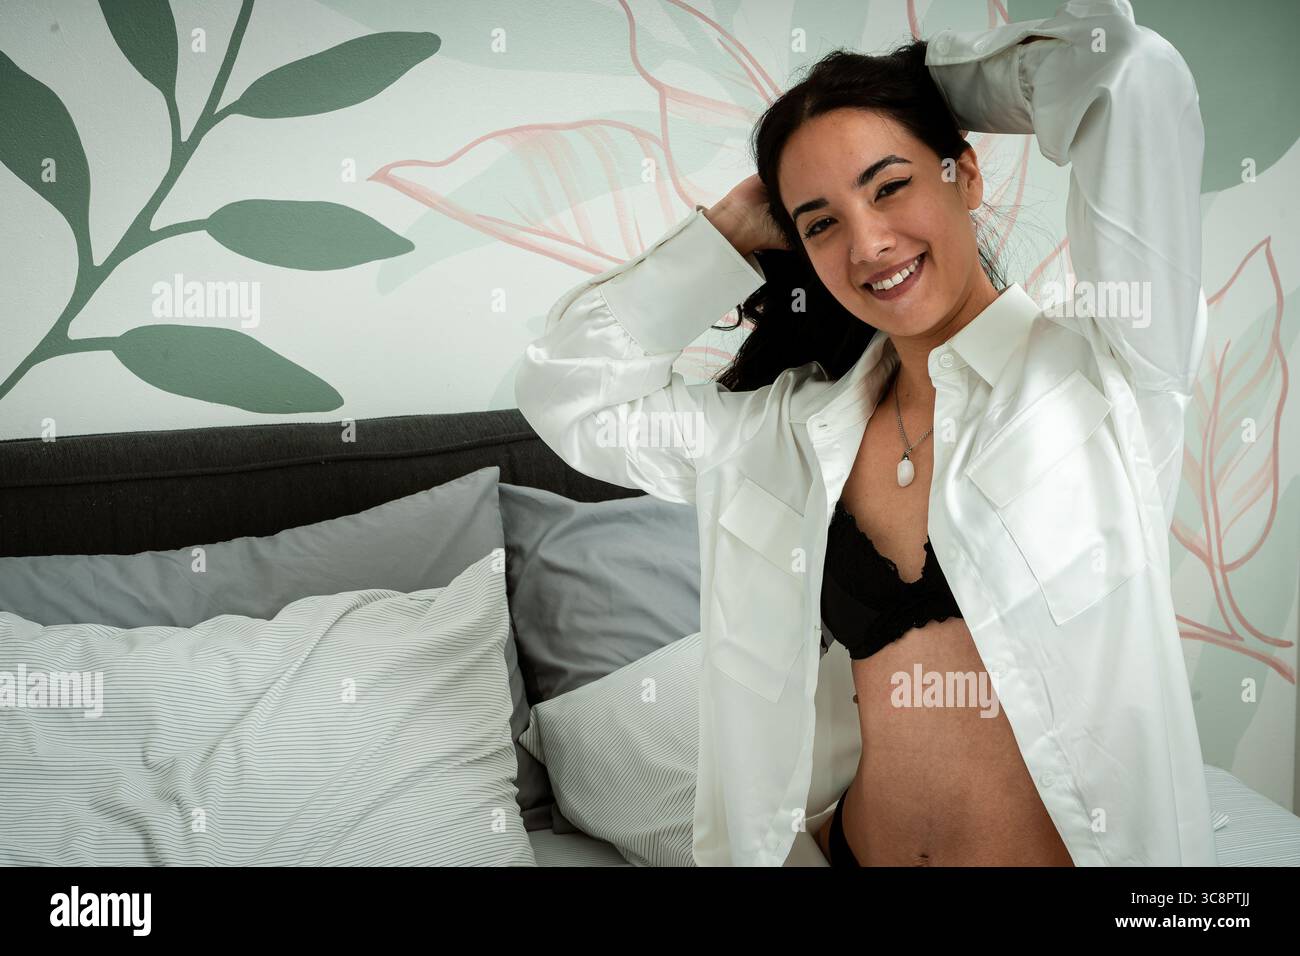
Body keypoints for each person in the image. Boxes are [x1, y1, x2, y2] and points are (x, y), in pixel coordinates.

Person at [516, 0, 1216, 866]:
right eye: (821, 223)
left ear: (965, 173)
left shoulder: (1107, 371)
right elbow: (572, 394)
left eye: (890, 186)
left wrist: (930, 83)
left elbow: (1129, 72)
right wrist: (728, 232)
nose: (870, 242)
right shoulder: (788, 435)